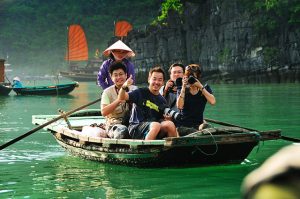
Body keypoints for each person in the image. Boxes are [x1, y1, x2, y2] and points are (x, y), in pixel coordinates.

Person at [118, 66, 178, 140]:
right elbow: (121, 97)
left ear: (163, 83)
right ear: (149, 79)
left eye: (160, 80)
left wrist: (168, 119)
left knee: (170, 124)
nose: (156, 82)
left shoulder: (162, 100)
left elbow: (162, 120)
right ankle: (146, 149)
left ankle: (173, 150)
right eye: (154, 79)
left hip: (153, 129)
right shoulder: (140, 92)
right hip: (136, 127)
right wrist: (124, 86)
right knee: (156, 125)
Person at [101, 62, 137, 139]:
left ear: (126, 75)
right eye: (115, 75)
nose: (119, 77)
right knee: (122, 131)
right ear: (111, 77)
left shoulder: (134, 89)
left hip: (133, 123)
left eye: (121, 74)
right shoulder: (107, 92)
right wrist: (118, 101)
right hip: (114, 125)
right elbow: (104, 112)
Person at [177, 64, 216, 132]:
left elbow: (213, 102)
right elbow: (179, 106)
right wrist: (183, 87)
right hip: (184, 126)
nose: (191, 79)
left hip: (199, 125)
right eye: (189, 77)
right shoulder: (182, 90)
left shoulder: (205, 88)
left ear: (198, 77)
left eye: (193, 77)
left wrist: (200, 86)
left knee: (204, 127)